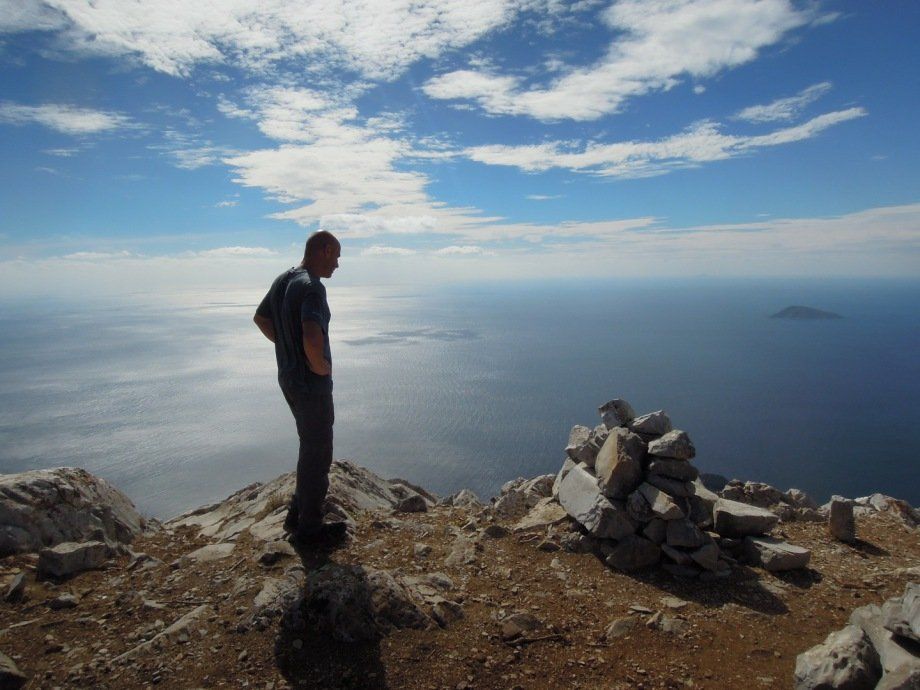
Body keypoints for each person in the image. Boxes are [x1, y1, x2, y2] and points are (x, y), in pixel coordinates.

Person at [253, 230, 345, 547]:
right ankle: (310, 529)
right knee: (318, 453)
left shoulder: (284, 280)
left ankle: (297, 515)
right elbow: (311, 334)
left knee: (309, 447)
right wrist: (319, 365)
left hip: (289, 379)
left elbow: (261, 318)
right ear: (324, 249)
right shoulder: (312, 287)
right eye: (336, 256)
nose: (337, 264)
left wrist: (287, 348)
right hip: (310, 384)